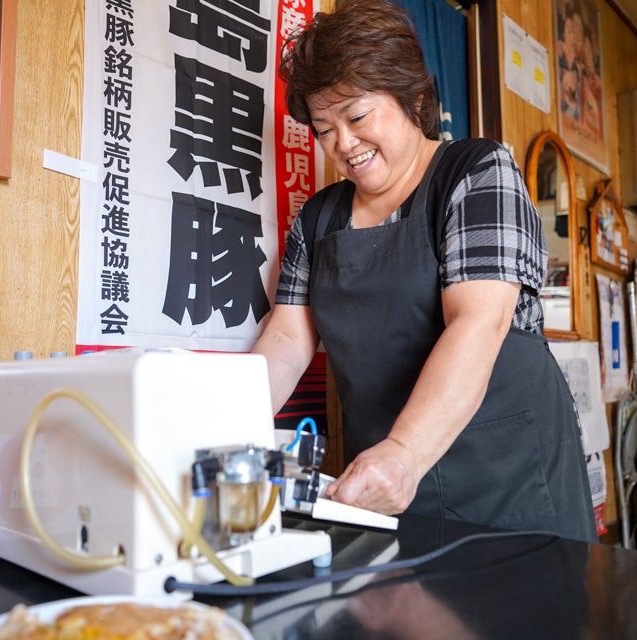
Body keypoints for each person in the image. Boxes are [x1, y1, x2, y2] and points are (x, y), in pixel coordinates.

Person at [251, 0, 597, 542]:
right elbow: (287, 340)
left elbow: (477, 323)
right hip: (382, 483)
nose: (342, 143)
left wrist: (405, 453)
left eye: (357, 116)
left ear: (412, 97)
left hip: (509, 480)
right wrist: (217, 427)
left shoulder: (477, 172)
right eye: (323, 128)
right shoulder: (318, 219)